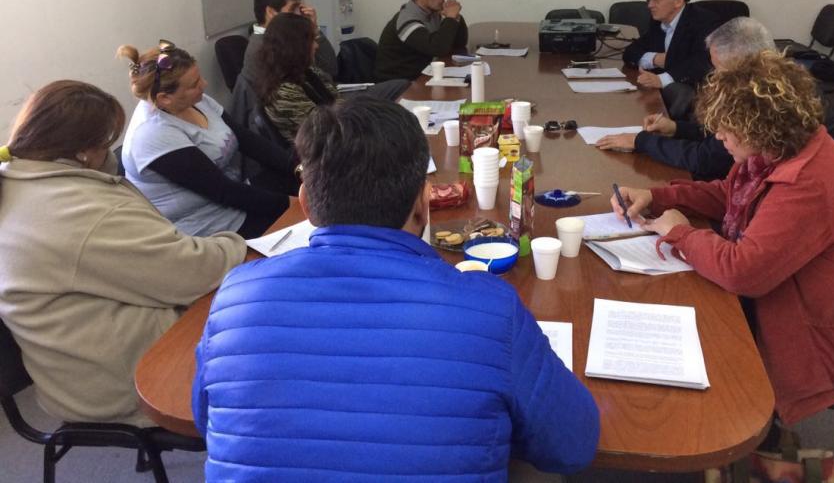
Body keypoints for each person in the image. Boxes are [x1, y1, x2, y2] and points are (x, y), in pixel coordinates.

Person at [193, 96, 599, 481]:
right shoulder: (489, 309)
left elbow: (206, 419)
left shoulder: (234, 297)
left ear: (307, 203)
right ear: (424, 204)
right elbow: (573, 446)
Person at [611, 52, 834, 425]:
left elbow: (743, 272)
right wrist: (657, 196)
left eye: (727, 128)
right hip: (808, 298)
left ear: (759, 127)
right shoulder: (780, 151)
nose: (719, 136)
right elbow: (728, 195)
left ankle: (749, 438)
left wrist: (680, 232)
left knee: (689, 348)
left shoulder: (812, 181)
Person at [0, 80, 246, 426]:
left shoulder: (18, 180)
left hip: (72, 370)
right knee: (267, 338)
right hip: (123, 382)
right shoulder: (82, 212)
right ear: (84, 152)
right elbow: (195, 272)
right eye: (106, 143)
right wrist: (241, 244)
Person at [119, 41, 296, 239]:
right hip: (204, 228)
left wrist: (297, 168)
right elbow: (223, 190)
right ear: (164, 98)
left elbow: (245, 138)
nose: (204, 84)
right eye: (194, 84)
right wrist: (289, 205)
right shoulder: (152, 134)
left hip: (234, 198)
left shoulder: (195, 101)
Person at [597, 17, 775, 180]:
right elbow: (714, 136)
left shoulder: (757, 104)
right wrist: (676, 128)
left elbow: (705, 159)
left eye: (720, 69)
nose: (715, 76)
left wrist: (641, 141)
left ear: (743, 65)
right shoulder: (766, 87)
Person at [236, 0, 408, 126]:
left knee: (399, 86)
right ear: (271, 12)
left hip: (328, 100)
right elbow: (304, 110)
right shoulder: (263, 49)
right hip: (320, 112)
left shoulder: (286, 40)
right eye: (293, 10)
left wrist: (313, 30)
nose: (299, 15)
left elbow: (330, 68)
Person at [252, 12, 337, 143]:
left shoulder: (306, 72)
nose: (316, 46)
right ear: (297, 46)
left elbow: (335, 99)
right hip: (321, 149)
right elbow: (324, 130)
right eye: (312, 41)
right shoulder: (284, 93)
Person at [622, 0, 715, 89]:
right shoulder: (658, 20)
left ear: (678, 1)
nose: (650, 5)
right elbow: (630, 52)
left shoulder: (703, 21)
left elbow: (703, 63)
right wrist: (655, 59)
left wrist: (662, 79)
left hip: (693, 90)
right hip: (664, 89)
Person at [374, 0, 469, 81]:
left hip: (420, 76)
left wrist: (456, 17)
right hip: (397, 82)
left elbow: (459, 43)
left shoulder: (432, 13)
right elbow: (438, 48)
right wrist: (450, 18)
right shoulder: (407, 20)